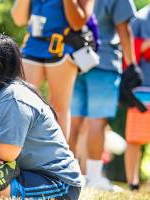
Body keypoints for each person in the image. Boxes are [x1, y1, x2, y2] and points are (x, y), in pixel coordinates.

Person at [0, 33, 83, 199]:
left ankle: (3, 179)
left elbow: (7, 152)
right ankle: (0, 174)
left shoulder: (13, 98)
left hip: (55, 180)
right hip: (14, 167)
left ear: (3, 72)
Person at [69, 0, 137, 191]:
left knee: (71, 121)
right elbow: (124, 29)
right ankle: (94, 176)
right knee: (97, 122)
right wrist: (131, 66)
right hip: (105, 61)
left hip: (75, 60)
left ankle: (66, 173)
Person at [11, 0, 95, 137]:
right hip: (32, 46)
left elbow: (78, 23)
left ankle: (59, 157)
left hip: (62, 48)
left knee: (58, 110)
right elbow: (18, 19)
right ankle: (17, 152)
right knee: (20, 103)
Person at [124, 4, 150, 191]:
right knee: (134, 137)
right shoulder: (140, 19)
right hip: (143, 87)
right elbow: (128, 51)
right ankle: (132, 182)